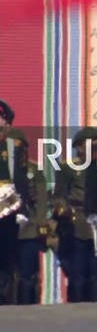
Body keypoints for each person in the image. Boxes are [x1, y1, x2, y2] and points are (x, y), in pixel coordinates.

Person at [52, 127, 97, 302]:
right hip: (77, 220)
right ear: (79, 147)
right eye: (89, 145)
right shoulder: (68, 167)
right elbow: (59, 195)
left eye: (96, 145)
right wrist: (63, 209)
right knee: (78, 271)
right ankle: (77, 303)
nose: (94, 149)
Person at [8, 128, 47, 305]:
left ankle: (29, 306)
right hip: (7, 226)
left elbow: (41, 199)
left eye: (19, 146)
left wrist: (40, 224)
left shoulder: (34, 169)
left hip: (29, 227)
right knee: (7, 272)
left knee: (28, 273)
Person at [0, 99, 30, 305]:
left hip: (8, 206)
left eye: (1, 118)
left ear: (7, 123)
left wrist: (23, 207)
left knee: (7, 253)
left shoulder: (15, 146)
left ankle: (5, 298)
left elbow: (21, 177)